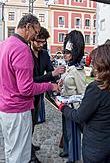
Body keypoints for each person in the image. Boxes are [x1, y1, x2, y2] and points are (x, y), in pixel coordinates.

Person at [0, 14, 59, 163]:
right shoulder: (22, 49)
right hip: (18, 110)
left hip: (5, 108)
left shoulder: (4, 44)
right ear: (28, 27)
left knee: (10, 150)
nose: (36, 35)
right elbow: (26, 89)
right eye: (36, 31)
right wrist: (50, 85)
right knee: (20, 156)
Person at [56, 44, 110, 163]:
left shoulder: (95, 87)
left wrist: (61, 106)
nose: (92, 65)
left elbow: (80, 115)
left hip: (96, 145)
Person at [30, 27, 65, 162]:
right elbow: (31, 81)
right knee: (27, 125)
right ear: (31, 39)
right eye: (38, 42)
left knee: (33, 123)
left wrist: (57, 81)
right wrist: (52, 75)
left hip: (38, 96)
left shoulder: (44, 54)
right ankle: (31, 156)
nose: (40, 45)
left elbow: (51, 71)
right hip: (27, 96)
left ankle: (30, 145)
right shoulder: (26, 53)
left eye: (43, 42)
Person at [59, 30, 86, 163]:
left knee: (73, 132)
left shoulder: (78, 70)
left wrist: (79, 111)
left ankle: (73, 156)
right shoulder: (68, 67)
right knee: (65, 130)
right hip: (64, 104)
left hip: (73, 107)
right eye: (64, 52)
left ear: (74, 53)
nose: (65, 54)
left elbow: (81, 92)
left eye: (68, 52)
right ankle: (66, 149)